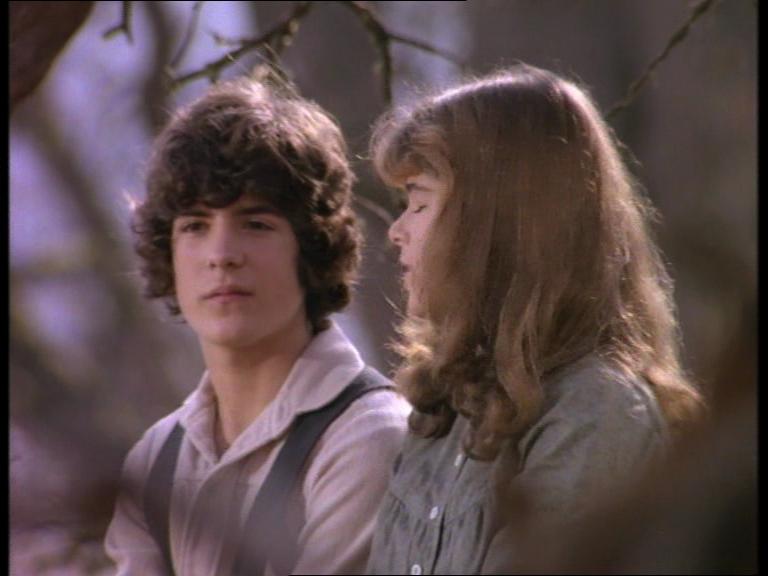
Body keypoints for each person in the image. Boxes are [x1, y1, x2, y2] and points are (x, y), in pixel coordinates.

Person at [364, 64, 706, 575]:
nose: (396, 231)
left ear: (491, 224)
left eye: (419, 203)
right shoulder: (447, 406)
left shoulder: (598, 414)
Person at [104, 75, 410, 575]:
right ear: (169, 252)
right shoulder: (155, 458)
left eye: (256, 224)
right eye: (195, 226)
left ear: (311, 247)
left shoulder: (368, 438)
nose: (222, 255)